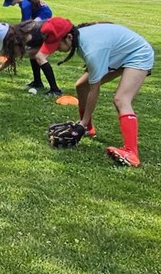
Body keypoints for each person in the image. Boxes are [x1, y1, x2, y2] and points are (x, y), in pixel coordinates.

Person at [58, 20, 156, 167]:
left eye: (56, 44)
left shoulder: (90, 49)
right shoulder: (80, 39)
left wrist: (82, 121)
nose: (55, 49)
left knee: (121, 99)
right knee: (81, 86)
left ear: (68, 37)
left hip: (138, 54)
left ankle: (132, 153)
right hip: (119, 54)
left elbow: (94, 89)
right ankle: (88, 128)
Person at [0, 17, 72, 98]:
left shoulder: (24, 37)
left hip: (57, 33)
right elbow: (15, 57)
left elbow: (11, 59)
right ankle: (37, 82)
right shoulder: (20, 32)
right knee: (33, 55)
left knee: (39, 57)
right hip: (51, 32)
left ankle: (55, 90)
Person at [2, 0, 57, 93]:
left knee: (35, 49)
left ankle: (52, 88)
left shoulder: (25, 5)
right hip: (42, 16)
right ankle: (37, 81)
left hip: (44, 18)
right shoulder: (24, 0)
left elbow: (26, 25)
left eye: (10, 1)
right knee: (32, 49)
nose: (10, 3)